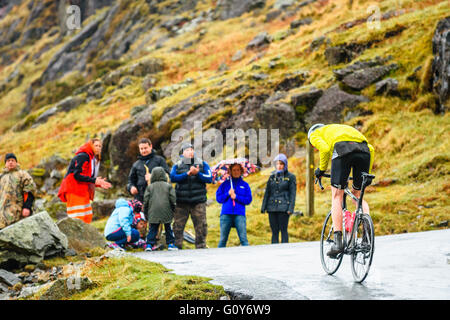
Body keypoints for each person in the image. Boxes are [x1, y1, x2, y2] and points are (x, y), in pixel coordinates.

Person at [308, 123, 374, 258]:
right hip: (364, 150)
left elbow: (325, 149)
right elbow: (371, 149)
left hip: (343, 150)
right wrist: (368, 174)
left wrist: (321, 170)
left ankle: (338, 242)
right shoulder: (338, 128)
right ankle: (367, 235)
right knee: (357, 196)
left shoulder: (315, 134)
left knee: (337, 196)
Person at [58, 139, 112, 223]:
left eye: (100, 146)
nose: (98, 148)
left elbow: (85, 177)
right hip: (74, 190)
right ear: (91, 146)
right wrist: (94, 180)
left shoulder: (91, 158)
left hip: (82, 190)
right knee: (77, 218)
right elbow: (77, 175)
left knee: (87, 216)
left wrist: (97, 183)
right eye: (96, 145)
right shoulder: (83, 156)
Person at [170, 142, 212, 249]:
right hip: (181, 202)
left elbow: (209, 178)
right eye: (187, 150)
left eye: (191, 150)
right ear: (182, 153)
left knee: (201, 226)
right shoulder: (177, 165)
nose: (190, 152)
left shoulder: (202, 164)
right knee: (178, 226)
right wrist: (187, 174)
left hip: (198, 201)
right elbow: (173, 177)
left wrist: (198, 173)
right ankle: (177, 246)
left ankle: (201, 246)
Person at [261, 154, 297, 244]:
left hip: (284, 207)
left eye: (281, 164)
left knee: (283, 230)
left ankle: (285, 251)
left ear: (285, 165)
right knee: (274, 231)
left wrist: (290, 208)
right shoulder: (272, 176)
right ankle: (274, 251)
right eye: (277, 164)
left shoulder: (290, 177)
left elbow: (293, 194)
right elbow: (267, 192)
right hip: (271, 207)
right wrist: (263, 207)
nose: (279, 166)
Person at [216, 163, 252, 247]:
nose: (236, 172)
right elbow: (219, 198)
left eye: (238, 170)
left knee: (244, 239)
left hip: (239, 214)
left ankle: (249, 257)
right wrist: (227, 194)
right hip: (226, 214)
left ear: (241, 171)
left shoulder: (245, 185)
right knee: (222, 240)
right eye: (234, 170)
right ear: (230, 171)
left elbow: (248, 200)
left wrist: (236, 197)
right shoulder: (224, 184)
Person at [143, 166, 178, 251]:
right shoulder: (168, 186)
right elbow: (173, 199)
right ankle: (170, 244)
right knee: (168, 228)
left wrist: (146, 212)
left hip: (153, 211)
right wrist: (174, 209)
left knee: (153, 229)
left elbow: (146, 200)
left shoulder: (150, 187)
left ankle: (149, 245)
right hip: (166, 210)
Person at [0, 153, 37, 229]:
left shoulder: (23, 174)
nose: (10, 162)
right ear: (5, 164)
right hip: (2, 218)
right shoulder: (1, 177)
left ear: (16, 162)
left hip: (18, 214)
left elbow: (30, 191)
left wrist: (27, 207)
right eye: (8, 161)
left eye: (12, 160)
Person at [127, 138, 170, 203]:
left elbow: (167, 175)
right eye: (141, 149)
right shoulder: (136, 164)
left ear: (151, 146)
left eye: (145, 148)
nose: (143, 150)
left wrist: (153, 177)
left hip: (158, 197)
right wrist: (131, 187)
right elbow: (130, 180)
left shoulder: (160, 160)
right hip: (140, 199)